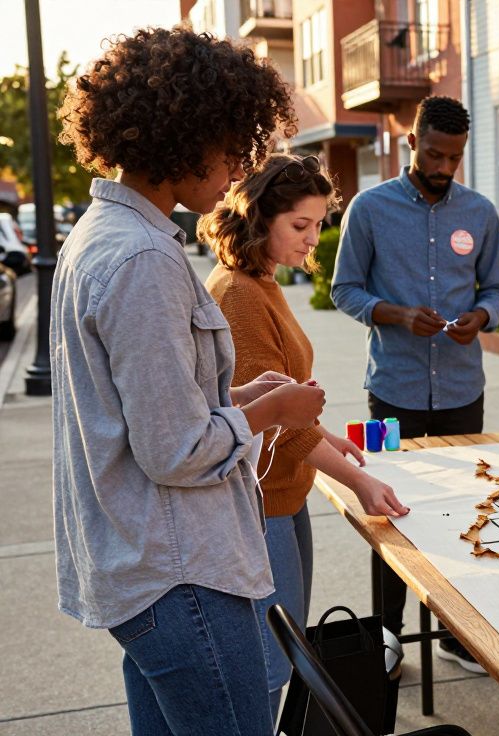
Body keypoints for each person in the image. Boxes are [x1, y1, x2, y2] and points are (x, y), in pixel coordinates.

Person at [51, 26, 325, 734]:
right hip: (181, 575)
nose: (239, 169)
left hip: (148, 570)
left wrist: (243, 398)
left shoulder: (103, 236)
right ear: (184, 134)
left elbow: (147, 408)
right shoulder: (140, 258)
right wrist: (272, 414)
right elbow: (174, 449)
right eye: (233, 146)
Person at [201, 153, 411, 723]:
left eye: (319, 224)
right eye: (301, 225)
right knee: (273, 662)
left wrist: (327, 438)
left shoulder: (261, 280)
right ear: (259, 217)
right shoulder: (240, 293)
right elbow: (274, 423)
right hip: (259, 501)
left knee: (289, 653)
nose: (313, 238)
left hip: (286, 493)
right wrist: (360, 481)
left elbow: (285, 400)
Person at [332, 95, 499, 674]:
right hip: (396, 390)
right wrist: (397, 314)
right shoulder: (369, 208)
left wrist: (480, 319)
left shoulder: (480, 212)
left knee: (465, 513)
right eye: (434, 153)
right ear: (412, 142)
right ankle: (387, 635)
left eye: (454, 158)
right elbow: (345, 290)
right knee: (393, 514)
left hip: (462, 389)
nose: (443, 166)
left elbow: (495, 291)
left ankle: (460, 632)